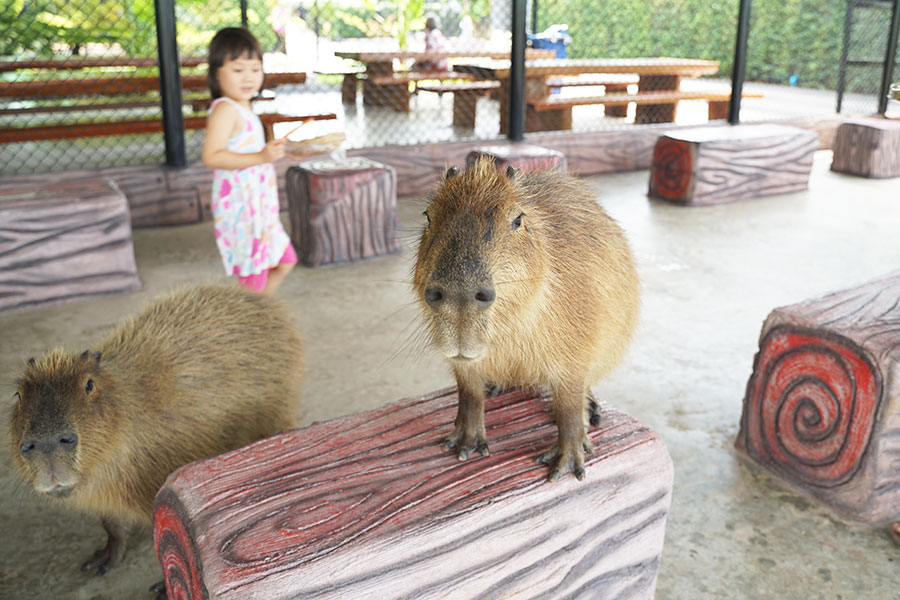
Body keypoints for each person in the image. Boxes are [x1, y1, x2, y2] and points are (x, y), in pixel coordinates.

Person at [202, 27, 297, 296]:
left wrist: (270, 151)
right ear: (216, 73)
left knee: (285, 260)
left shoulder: (245, 107)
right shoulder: (225, 109)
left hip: (260, 208)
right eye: (238, 69)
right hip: (242, 212)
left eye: (255, 69)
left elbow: (248, 149)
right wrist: (260, 156)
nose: (248, 78)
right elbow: (212, 156)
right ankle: (252, 321)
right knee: (254, 277)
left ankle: (258, 312)